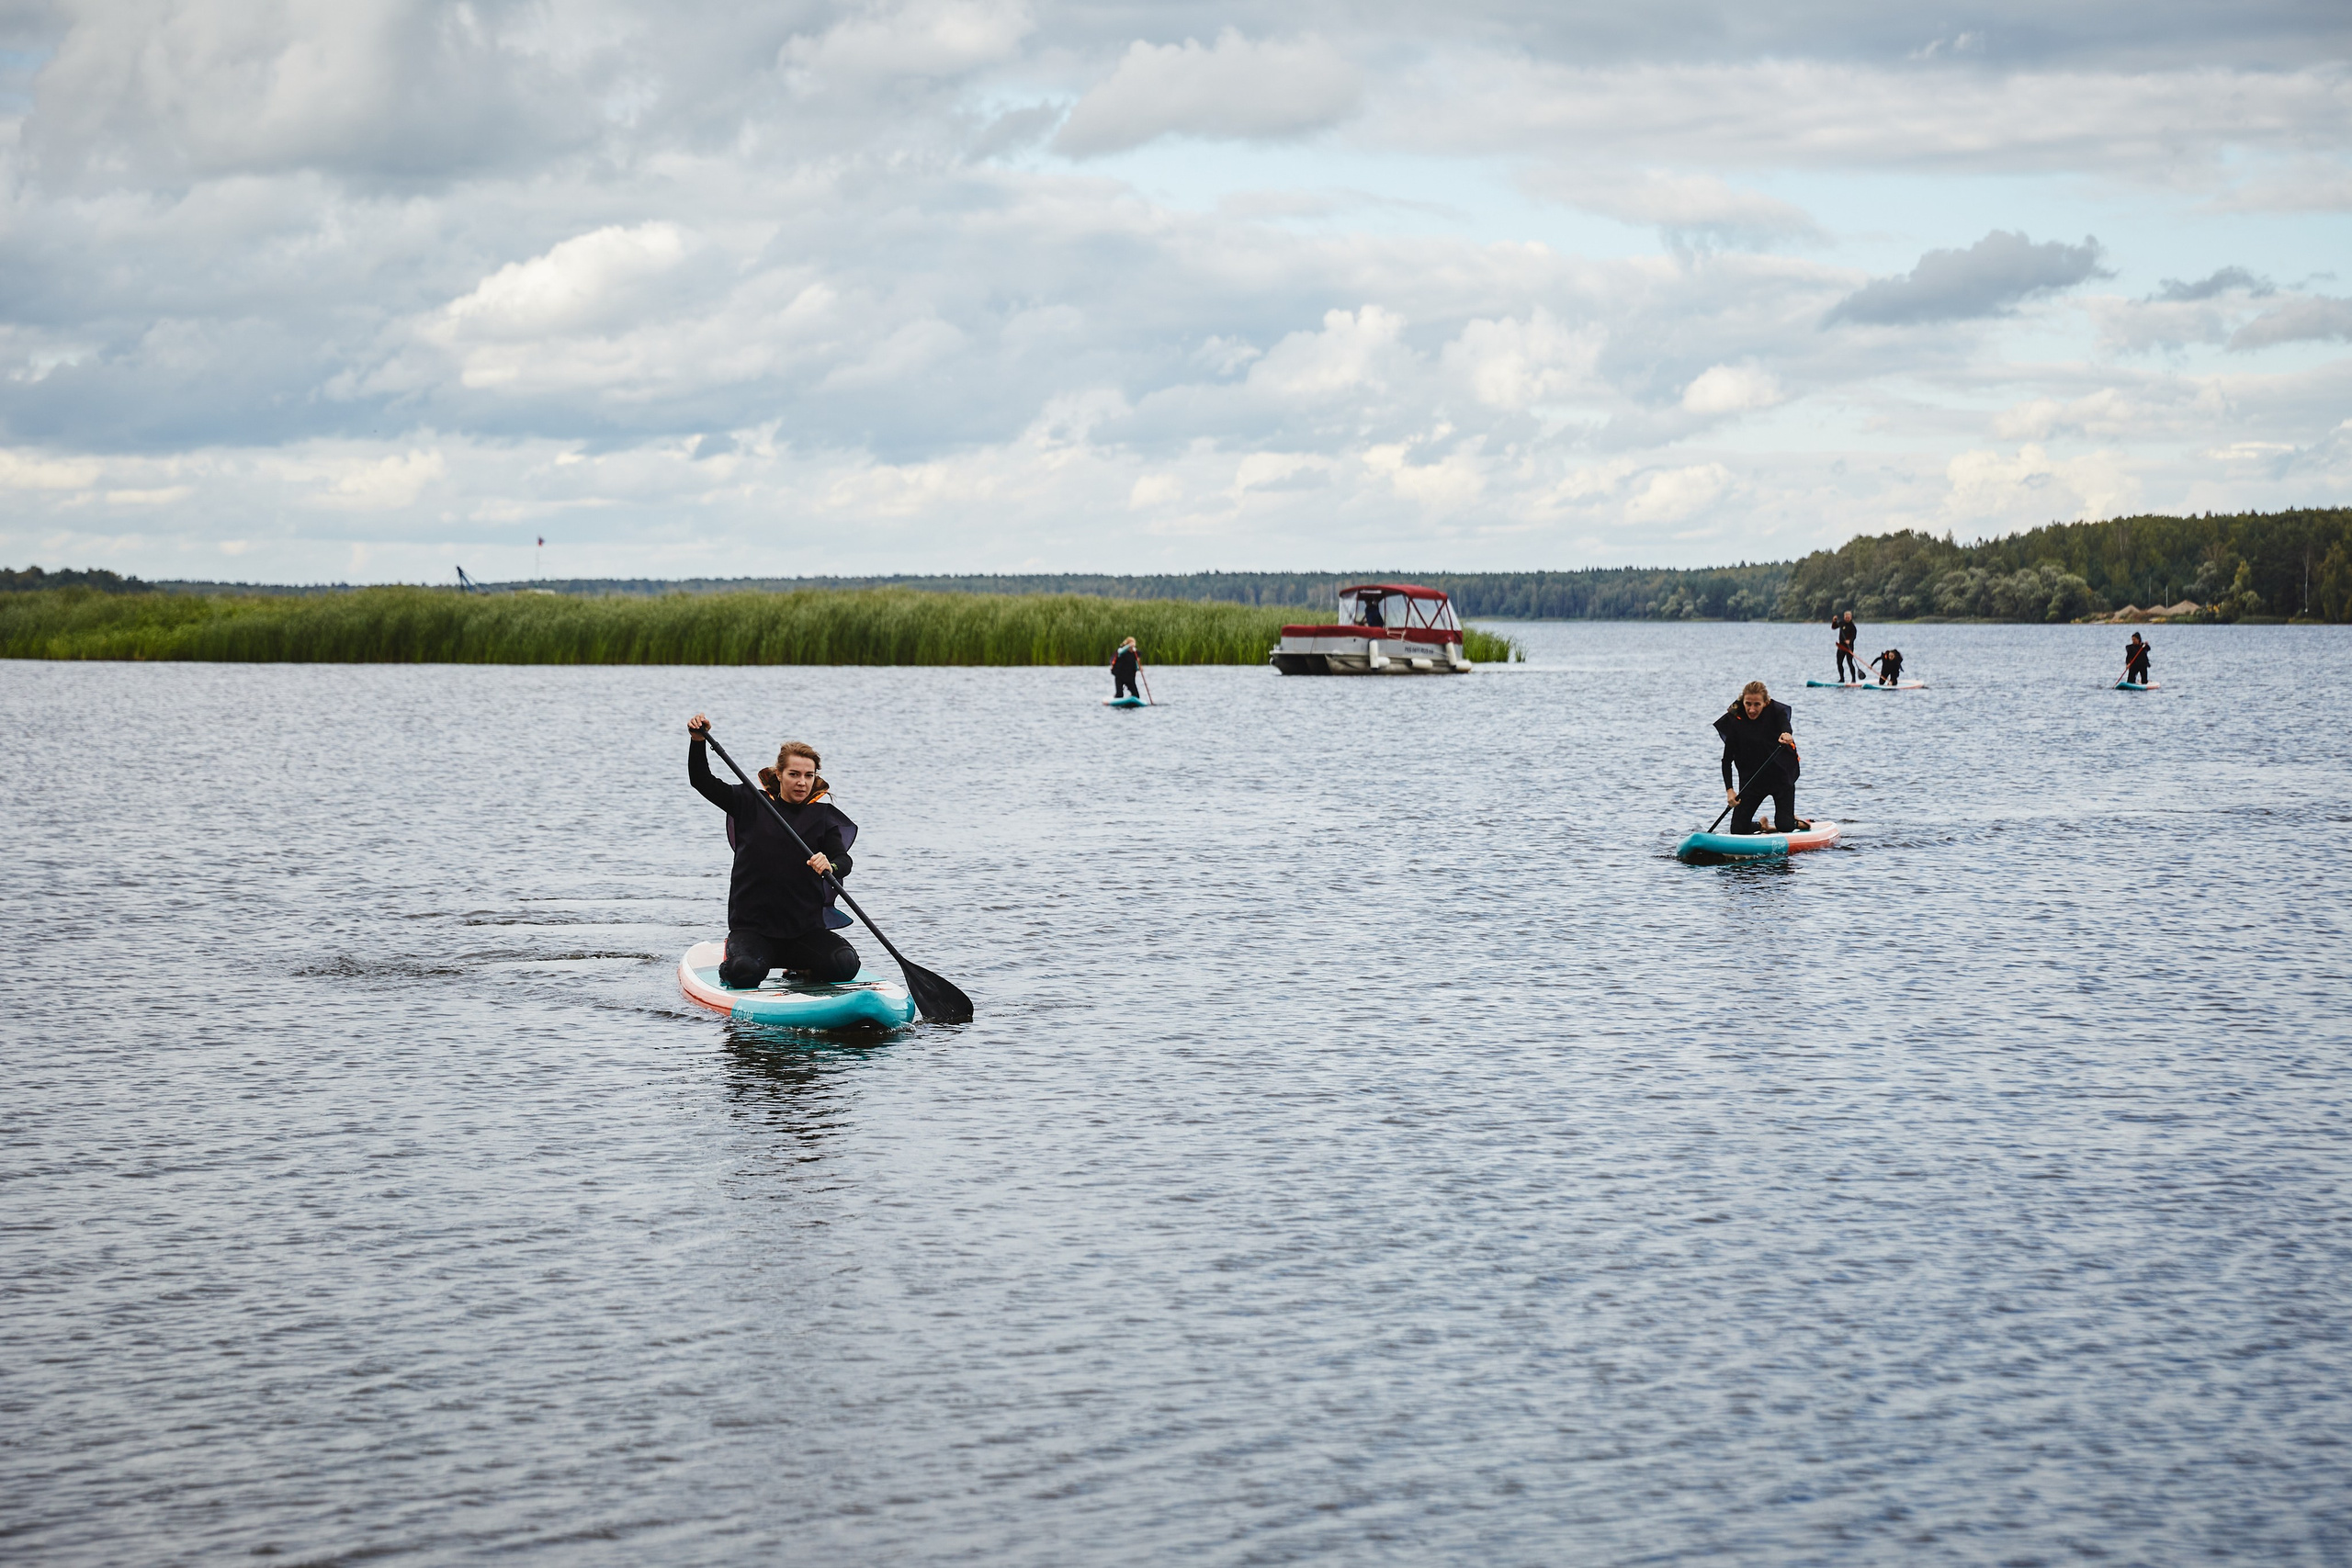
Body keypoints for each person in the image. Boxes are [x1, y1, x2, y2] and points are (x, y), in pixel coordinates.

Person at [686, 716, 862, 988]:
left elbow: (843, 861)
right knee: (743, 972)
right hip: (753, 930)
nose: (802, 782)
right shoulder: (750, 802)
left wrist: (831, 865)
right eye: (794, 774)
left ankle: (800, 969)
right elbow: (701, 781)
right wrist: (698, 742)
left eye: (808, 775)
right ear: (778, 774)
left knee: (845, 965)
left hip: (804, 931)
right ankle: (732, 956)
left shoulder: (823, 817)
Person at [1715, 680, 1805, 835]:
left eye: (1757, 704)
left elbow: (1785, 725)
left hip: (1781, 777)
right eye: (1748, 703)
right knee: (1738, 830)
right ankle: (1762, 826)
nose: (1751, 709)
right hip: (1752, 780)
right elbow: (1726, 761)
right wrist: (1730, 791)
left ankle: (1794, 821)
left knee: (1784, 825)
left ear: (1766, 702)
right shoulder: (1734, 720)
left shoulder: (1776, 711)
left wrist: (1786, 734)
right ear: (1742, 701)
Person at [1111, 637, 1142, 701]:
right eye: (1130, 646)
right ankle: (1115, 697)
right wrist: (1129, 646)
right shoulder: (1120, 651)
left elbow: (1136, 665)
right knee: (1120, 695)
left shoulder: (1135, 654)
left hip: (1130, 678)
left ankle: (1130, 700)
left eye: (1133, 646)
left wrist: (1139, 668)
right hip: (1120, 677)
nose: (1131, 648)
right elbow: (1121, 652)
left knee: (1136, 695)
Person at [1834, 611, 1860, 682]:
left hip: (1849, 647)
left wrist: (1850, 640)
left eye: (1848, 617)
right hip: (1841, 646)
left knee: (1849, 662)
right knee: (1839, 662)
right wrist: (1834, 621)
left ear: (1851, 617)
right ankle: (1842, 678)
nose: (1847, 618)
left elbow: (1854, 636)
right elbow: (1834, 627)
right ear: (1844, 617)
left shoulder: (1852, 626)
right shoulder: (1841, 622)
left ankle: (1853, 679)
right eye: (1846, 617)